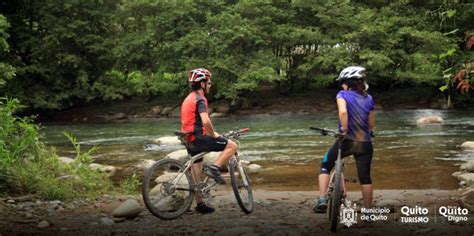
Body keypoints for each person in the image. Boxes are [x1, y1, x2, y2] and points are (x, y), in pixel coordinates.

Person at [314, 66, 375, 213]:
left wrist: (345, 130)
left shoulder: (342, 94)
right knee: (365, 177)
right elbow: (371, 123)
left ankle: (322, 198)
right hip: (365, 143)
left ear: (348, 83)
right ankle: (368, 211)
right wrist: (369, 132)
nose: (342, 85)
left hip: (346, 141)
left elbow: (342, 112)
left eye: (343, 82)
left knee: (325, 165)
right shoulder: (369, 98)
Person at [180, 68, 238, 214]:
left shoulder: (189, 98)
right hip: (199, 137)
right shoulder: (200, 99)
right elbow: (206, 121)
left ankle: (199, 204)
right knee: (232, 146)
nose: (211, 85)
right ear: (202, 84)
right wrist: (214, 135)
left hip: (188, 138)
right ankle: (214, 168)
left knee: (196, 170)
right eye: (209, 82)